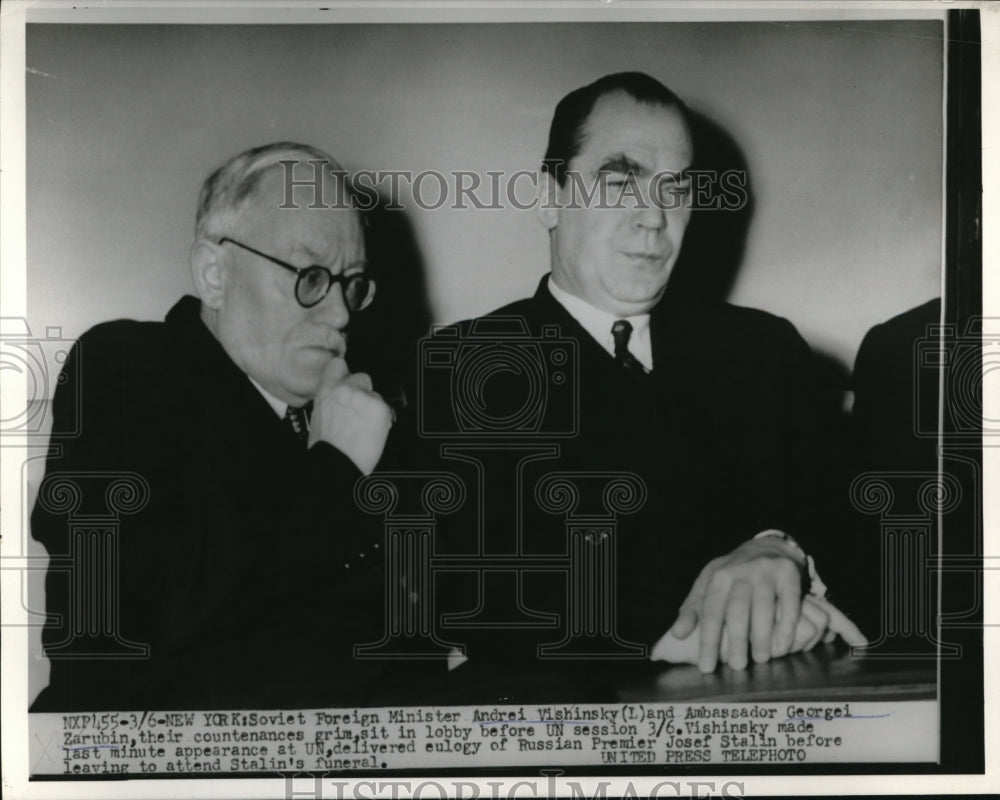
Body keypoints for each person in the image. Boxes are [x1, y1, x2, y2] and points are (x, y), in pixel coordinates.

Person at [395, 73, 864, 694]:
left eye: (676, 188)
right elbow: (474, 594)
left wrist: (780, 550)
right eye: (620, 182)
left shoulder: (764, 351)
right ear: (549, 198)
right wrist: (683, 628)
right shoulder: (463, 367)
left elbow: (860, 528)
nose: (653, 218)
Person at [30, 142, 397, 711]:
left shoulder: (357, 412)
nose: (342, 313)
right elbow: (145, 609)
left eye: (352, 283)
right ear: (214, 274)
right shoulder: (128, 365)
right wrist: (336, 469)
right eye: (310, 276)